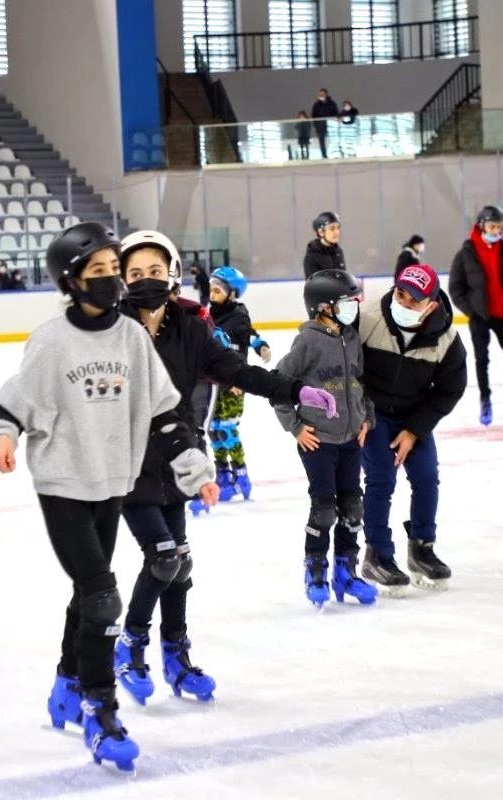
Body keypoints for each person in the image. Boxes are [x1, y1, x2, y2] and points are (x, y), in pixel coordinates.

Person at [0, 221, 213, 772]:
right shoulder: (53, 340)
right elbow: (12, 403)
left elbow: (165, 411)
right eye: (100, 272)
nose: (112, 281)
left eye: (115, 271)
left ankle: (67, 678)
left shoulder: (132, 338)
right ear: (72, 281)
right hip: (64, 485)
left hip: (113, 482)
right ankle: (100, 708)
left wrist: (192, 465)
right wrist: (4, 436)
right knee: (103, 596)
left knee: (90, 596)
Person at [112, 230, 335, 704]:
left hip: (179, 459)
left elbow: (238, 372)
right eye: (135, 273)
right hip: (128, 464)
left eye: (154, 271)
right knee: (164, 557)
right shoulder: (111, 331)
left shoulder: (192, 327)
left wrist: (294, 390)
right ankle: (130, 644)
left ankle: (176, 653)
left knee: (180, 563)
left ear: (172, 275)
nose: (145, 280)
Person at [358, 264, 467, 595]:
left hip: (412, 417)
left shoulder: (446, 339)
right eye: (400, 294)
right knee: (381, 478)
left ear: (431, 305)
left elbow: (450, 389)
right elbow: (347, 370)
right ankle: (377, 554)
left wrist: (415, 429)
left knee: (425, 477)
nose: (403, 303)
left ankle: (422, 547)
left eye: (413, 300)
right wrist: (359, 412)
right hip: (372, 414)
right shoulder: (367, 319)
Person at [273, 269, 377, 608]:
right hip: (318, 439)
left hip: (350, 437)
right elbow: (279, 386)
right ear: (324, 307)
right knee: (324, 509)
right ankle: (315, 568)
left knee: (352, 507)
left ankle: (346, 572)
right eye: (347, 302)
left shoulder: (351, 337)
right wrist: (296, 427)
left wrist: (365, 419)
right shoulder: (308, 341)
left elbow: (361, 383)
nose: (353, 308)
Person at [448, 204, 503, 426]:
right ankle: (485, 402)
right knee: (482, 361)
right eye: (492, 226)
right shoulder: (465, 253)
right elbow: (455, 289)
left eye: (499, 226)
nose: (497, 231)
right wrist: (472, 311)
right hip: (480, 317)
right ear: (481, 226)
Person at [208, 265, 272, 501]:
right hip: (215, 380)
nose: (212, 295)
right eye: (210, 290)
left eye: (217, 291)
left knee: (227, 428)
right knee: (213, 428)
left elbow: (250, 335)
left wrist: (261, 346)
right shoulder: (211, 314)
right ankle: (223, 473)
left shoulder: (238, 316)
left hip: (234, 381)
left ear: (232, 293)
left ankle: (240, 473)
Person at [304, 211, 345, 277]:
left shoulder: (338, 251)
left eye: (338, 228)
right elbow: (313, 285)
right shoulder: (312, 256)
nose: (337, 232)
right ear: (321, 232)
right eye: (332, 228)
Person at [310, 88, 338, 158]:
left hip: (331, 125)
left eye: (322, 94)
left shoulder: (332, 104)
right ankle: (324, 155)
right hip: (320, 126)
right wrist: (316, 126)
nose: (321, 96)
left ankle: (335, 154)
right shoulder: (316, 105)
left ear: (326, 94)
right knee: (322, 141)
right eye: (320, 95)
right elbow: (313, 116)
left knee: (333, 140)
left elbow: (336, 114)